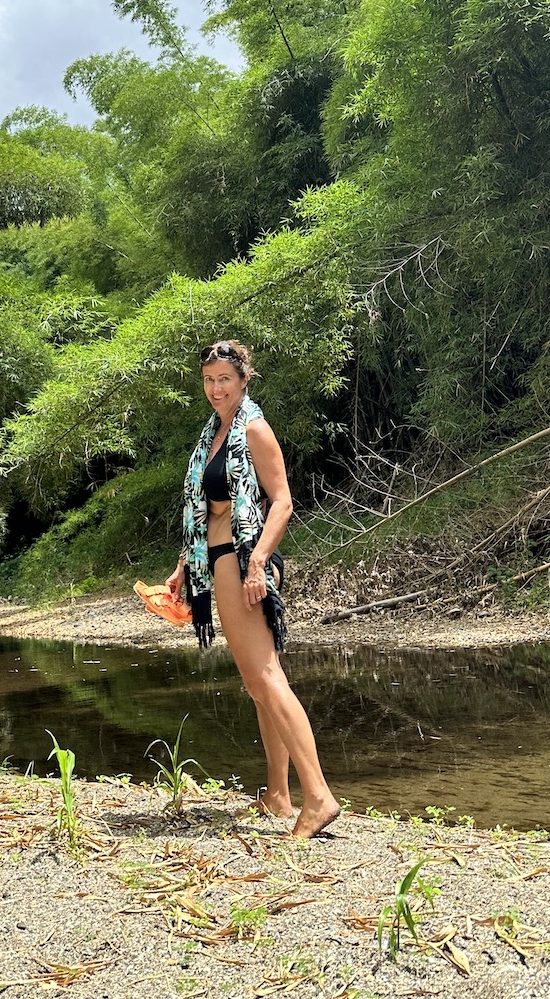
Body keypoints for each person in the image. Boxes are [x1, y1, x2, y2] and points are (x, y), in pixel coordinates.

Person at [165, 339, 340, 840]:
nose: (216, 388)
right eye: (208, 380)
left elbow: (282, 502)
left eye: (225, 378)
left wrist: (258, 562)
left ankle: (318, 797)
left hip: (244, 560)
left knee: (264, 678)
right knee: (261, 683)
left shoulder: (254, 429)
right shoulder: (213, 433)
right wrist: (184, 565)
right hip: (219, 557)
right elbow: (207, 511)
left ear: (244, 379)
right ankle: (279, 794)